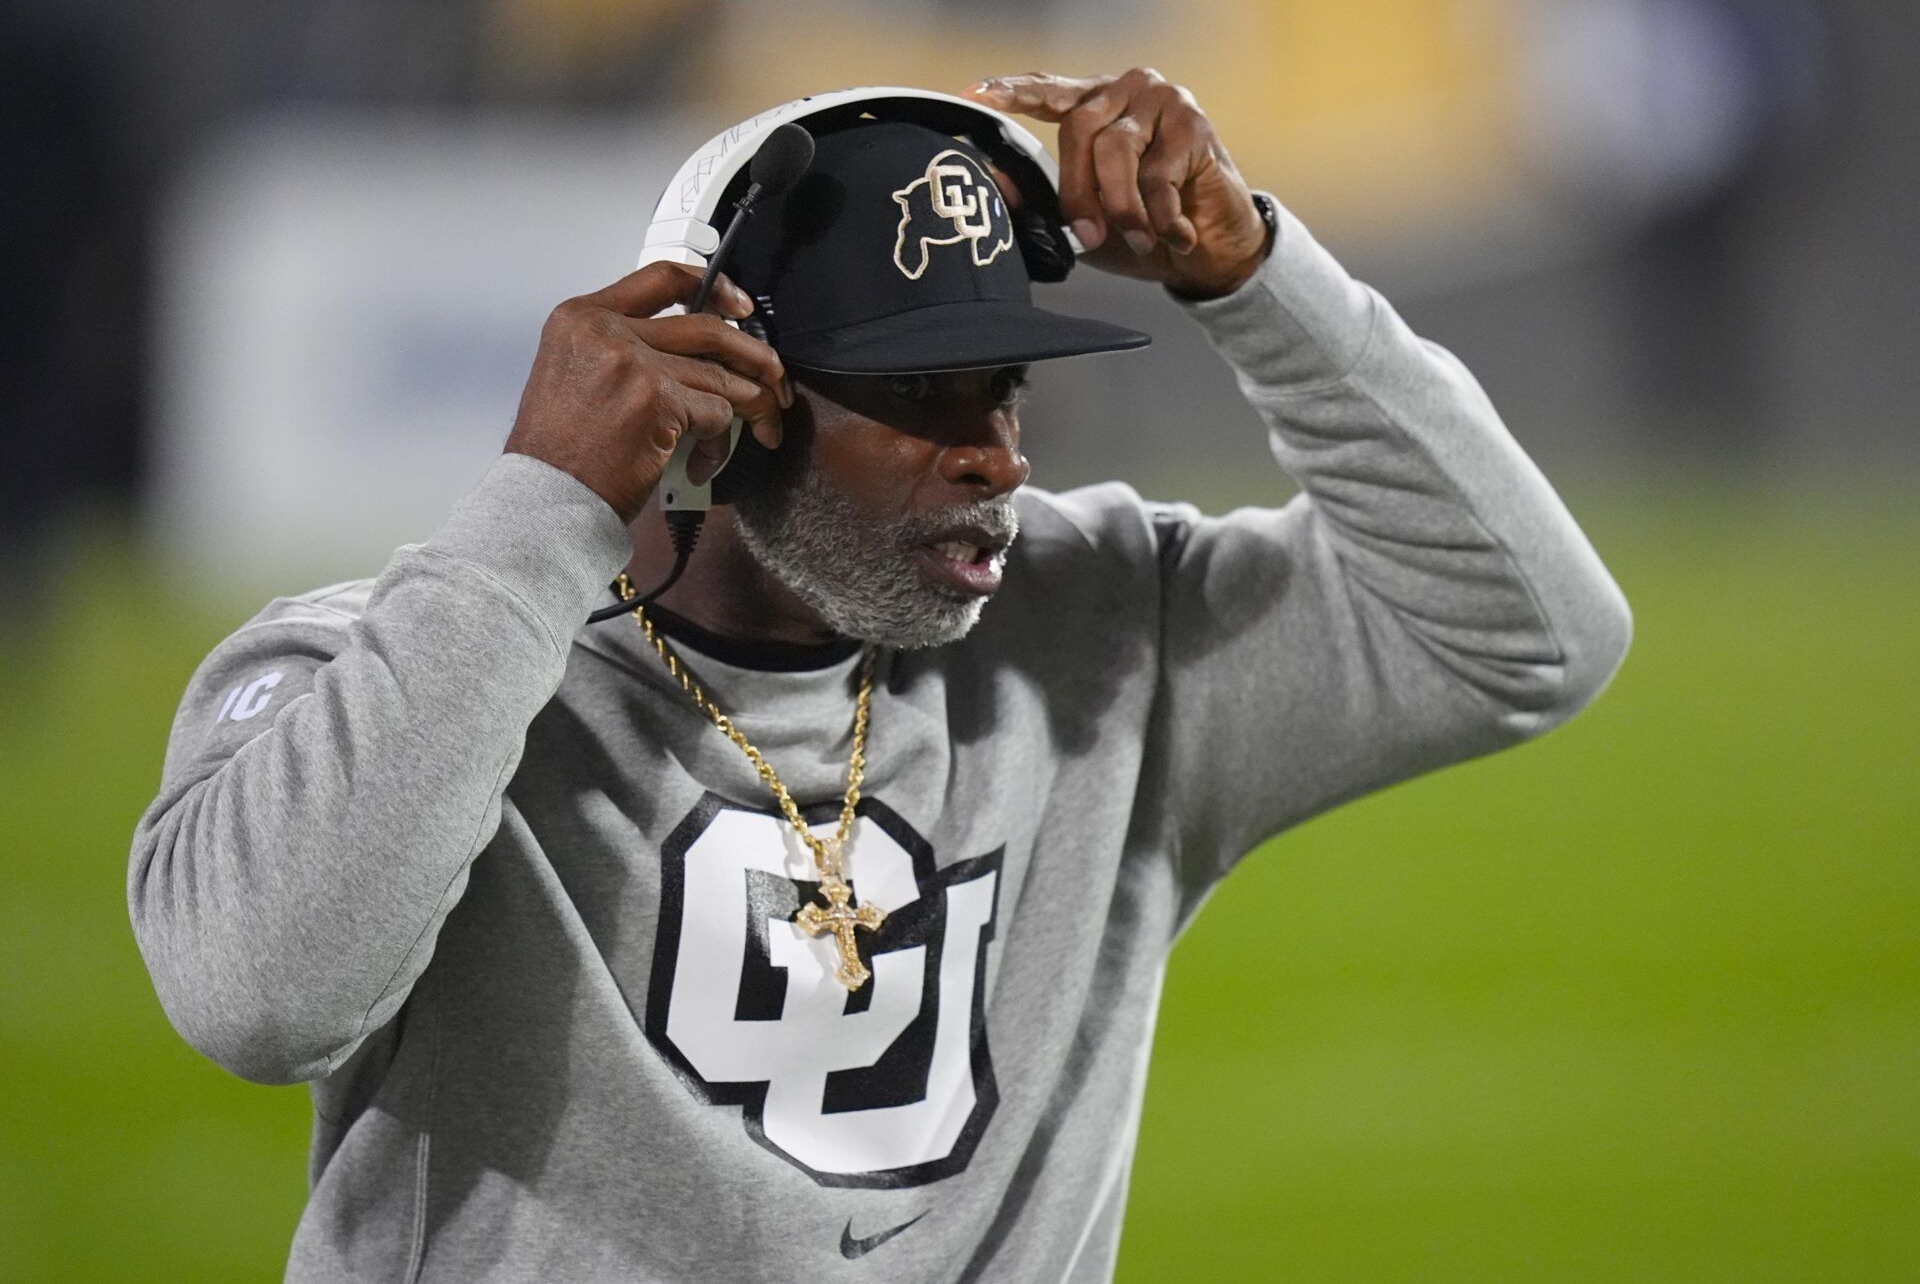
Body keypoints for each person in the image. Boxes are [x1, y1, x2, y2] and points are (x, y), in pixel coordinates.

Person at [128, 69, 1632, 1281]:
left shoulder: (1105, 630)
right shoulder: (386, 669)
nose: (997, 454)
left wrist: (1260, 283)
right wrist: (543, 508)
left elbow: (1532, 632)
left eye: (1004, 385)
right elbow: (260, 999)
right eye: (918, 395)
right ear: (722, 384)